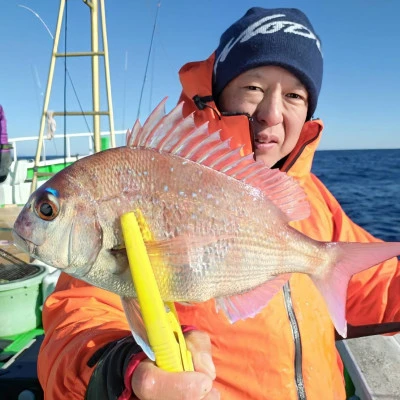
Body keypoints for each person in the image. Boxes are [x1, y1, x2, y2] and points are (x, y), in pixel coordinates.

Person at [37, 7, 400, 400]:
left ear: (308, 111)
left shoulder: (313, 198)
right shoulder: (139, 179)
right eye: (254, 88)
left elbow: (371, 285)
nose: (271, 114)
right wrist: (118, 369)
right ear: (219, 91)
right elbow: (79, 316)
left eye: (294, 95)